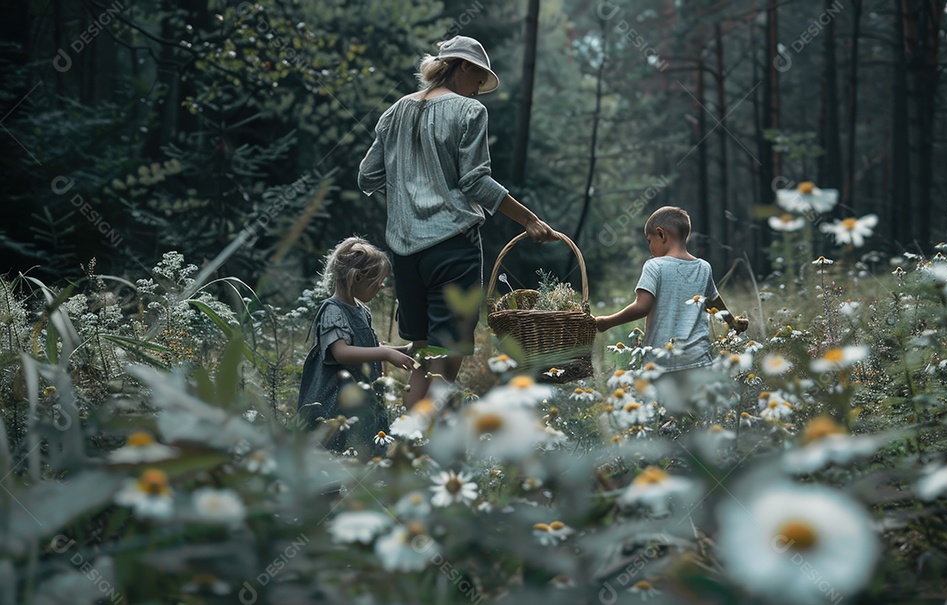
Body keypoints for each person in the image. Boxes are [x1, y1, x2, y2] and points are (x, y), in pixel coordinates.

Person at [358, 35, 557, 407]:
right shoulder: (468, 112)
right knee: (445, 358)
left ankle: (406, 447)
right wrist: (529, 220)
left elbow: (367, 177)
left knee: (423, 350)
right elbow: (475, 181)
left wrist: (408, 188)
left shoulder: (396, 110)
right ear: (464, 66)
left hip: (406, 254)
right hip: (452, 248)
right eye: (479, 81)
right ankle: (426, 448)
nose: (479, 92)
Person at [297, 236, 416, 455]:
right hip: (335, 403)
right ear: (358, 278)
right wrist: (386, 354)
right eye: (378, 279)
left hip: (361, 400)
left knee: (363, 452)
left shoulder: (362, 311)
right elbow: (341, 352)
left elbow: (366, 347)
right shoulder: (333, 310)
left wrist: (403, 350)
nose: (382, 285)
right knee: (336, 454)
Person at [594, 206, 748, 372]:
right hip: (699, 361)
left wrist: (606, 322)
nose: (650, 247)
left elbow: (642, 307)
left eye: (649, 241)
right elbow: (713, 302)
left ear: (661, 234)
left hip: (662, 363)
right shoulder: (704, 267)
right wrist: (732, 323)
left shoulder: (654, 266)